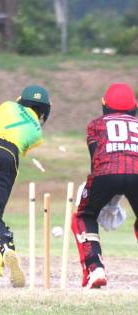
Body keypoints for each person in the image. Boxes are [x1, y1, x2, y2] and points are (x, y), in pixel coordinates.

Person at [0, 85, 51, 287]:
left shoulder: (9, 106)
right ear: (44, 110)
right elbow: (19, 145)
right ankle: (5, 248)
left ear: (21, 99)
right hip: (7, 156)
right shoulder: (37, 133)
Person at [71, 82, 138, 289]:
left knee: (85, 215)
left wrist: (108, 199)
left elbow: (97, 162)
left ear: (104, 106)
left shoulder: (95, 125)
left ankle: (95, 268)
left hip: (106, 173)